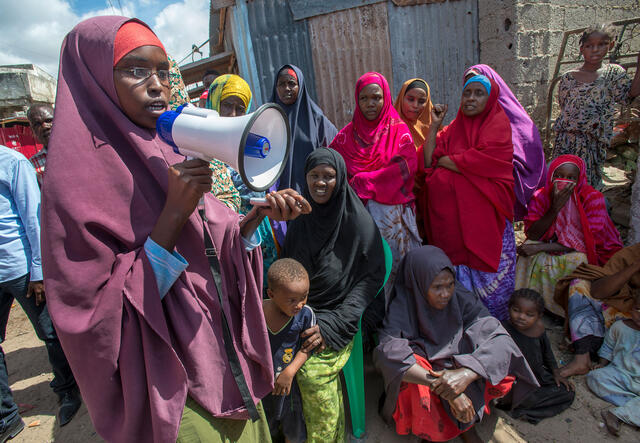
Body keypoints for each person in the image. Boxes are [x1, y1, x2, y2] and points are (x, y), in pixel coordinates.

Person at [41, 17, 310, 443]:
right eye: (135, 70)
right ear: (93, 78)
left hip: (223, 355)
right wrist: (170, 219)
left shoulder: (169, 145)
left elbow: (210, 249)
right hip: (169, 380)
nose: (157, 86)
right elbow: (92, 317)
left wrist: (253, 221)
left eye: (164, 72)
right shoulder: (76, 182)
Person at [374, 246, 537, 443]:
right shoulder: (403, 307)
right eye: (437, 287)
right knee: (409, 378)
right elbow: (387, 353)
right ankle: (432, 431)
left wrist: (467, 373)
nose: (445, 294)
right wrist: (446, 388)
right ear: (418, 284)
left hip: (460, 366)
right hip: (432, 375)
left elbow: (496, 336)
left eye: (449, 285)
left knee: (499, 357)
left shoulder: (460, 298)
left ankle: (465, 426)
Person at [282, 148, 385, 442]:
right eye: (314, 176)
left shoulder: (358, 223)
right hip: (300, 307)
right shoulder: (302, 220)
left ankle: (327, 436)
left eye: (329, 176)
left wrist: (333, 323)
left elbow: (370, 281)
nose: (320, 183)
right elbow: (288, 269)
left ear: (340, 180)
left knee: (310, 373)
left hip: (340, 311)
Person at [418, 74, 516, 320]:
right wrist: (434, 126)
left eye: (478, 93)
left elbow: (487, 162)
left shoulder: (498, 126)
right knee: (457, 289)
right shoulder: (452, 130)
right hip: (450, 229)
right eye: (467, 93)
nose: (471, 98)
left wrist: (449, 162)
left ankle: (493, 332)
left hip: (484, 227)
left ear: (490, 98)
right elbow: (429, 161)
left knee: (489, 293)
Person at [0, 145, 81, 440]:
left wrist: (38, 272)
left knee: (49, 333)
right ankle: (6, 416)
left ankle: (68, 391)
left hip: (19, 269)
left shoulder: (11, 162)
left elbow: (34, 219)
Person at [330, 72, 421, 294]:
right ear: (357, 100)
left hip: (392, 220)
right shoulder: (345, 137)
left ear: (386, 98)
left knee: (395, 271)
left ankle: (400, 319)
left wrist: (363, 181)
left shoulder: (399, 132)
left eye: (376, 98)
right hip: (357, 221)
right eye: (364, 98)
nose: (370, 104)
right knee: (365, 275)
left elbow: (407, 168)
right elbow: (331, 167)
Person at [515, 155, 623, 316]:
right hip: (552, 243)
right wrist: (554, 208)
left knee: (578, 259)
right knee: (526, 252)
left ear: (579, 179)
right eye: (558, 176)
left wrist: (540, 247)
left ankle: (563, 310)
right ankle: (527, 303)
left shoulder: (592, 198)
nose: (564, 181)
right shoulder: (541, 196)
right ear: (551, 176)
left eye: (571, 178)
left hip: (590, 250)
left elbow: (588, 240)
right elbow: (533, 233)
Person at [206, 74, 279, 282]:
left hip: (260, 235)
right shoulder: (203, 146)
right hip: (226, 240)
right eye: (227, 105)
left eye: (240, 107)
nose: (233, 114)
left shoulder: (253, 145)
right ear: (214, 103)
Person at [551, 23, 640, 190]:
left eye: (602, 44)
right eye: (589, 46)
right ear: (581, 49)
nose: (595, 50)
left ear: (611, 45)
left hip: (592, 142)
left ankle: (586, 215)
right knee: (562, 184)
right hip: (566, 140)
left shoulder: (614, 73)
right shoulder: (568, 77)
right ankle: (561, 216)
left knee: (587, 184)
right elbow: (564, 105)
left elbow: (628, 95)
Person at [463, 65, 546, 221]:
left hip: (506, 184)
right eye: (468, 90)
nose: (472, 97)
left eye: (479, 90)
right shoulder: (469, 119)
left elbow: (516, 152)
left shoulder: (511, 118)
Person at [269, 65, 338, 247]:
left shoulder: (316, 119)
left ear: (301, 87)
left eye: (292, 84)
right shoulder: (267, 120)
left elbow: (335, 155)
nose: (286, 89)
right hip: (280, 196)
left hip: (312, 194)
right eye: (281, 84)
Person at [554, 243, 640, 378]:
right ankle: (582, 359)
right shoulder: (634, 253)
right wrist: (635, 266)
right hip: (627, 318)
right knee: (580, 284)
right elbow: (598, 292)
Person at [499, 289, 574, 424]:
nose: (521, 317)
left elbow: (547, 352)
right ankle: (517, 405)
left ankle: (525, 410)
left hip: (536, 375)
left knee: (567, 392)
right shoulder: (503, 329)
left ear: (539, 316)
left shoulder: (538, 329)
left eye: (529, 314)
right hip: (514, 379)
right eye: (516, 310)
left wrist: (556, 372)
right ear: (509, 308)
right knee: (511, 393)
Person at [261, 258, 315, 443]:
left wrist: (290, 372)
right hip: (261, 386)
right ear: (271, 294)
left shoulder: (305, 315)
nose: (299, 305)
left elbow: (309, 346)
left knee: (293, 428)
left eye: (304, 297)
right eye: (292, 300)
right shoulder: (257, 311)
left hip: (288, 387)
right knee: (265, 427)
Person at [586, 293, 640, 436]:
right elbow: (608, 348)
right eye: (638, 310)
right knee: (594, 377)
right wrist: (602, 364)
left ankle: (620, 414)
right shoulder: (620, 327)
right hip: (620, 376)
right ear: (631, 307)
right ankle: (634, 408)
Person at [394, 78, 433, 241]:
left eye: (421, 101)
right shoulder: (390, 128)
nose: (415, 105)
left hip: (428, 201)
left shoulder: (433, 128)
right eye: (410, 99)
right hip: (399, 202)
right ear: (401, 97)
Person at [26, 103, 54, 187]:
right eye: (37, 124)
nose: (45, 126)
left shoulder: (81, 150)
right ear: (32, 131)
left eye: (49, 120)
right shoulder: (31, 165)